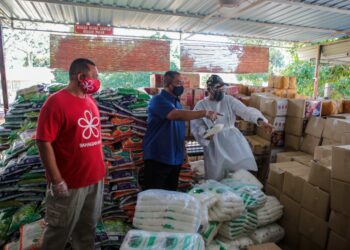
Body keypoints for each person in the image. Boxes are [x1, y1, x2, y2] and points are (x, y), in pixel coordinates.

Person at [36, 58, 105, 250]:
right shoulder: (56, 102)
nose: (97, 81)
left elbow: (94, 137)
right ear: (81, 76)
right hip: (70, 183)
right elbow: (43, 142)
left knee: (87, 231)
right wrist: (57, 180)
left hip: (94, 180)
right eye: (95, 76)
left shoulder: (89, 100)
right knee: (58, 233)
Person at [143, 71, 220, 191]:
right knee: (154, 196)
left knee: (171, 193)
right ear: (168, 84)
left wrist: (183, 151)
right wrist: (205, 113)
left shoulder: (177, 104)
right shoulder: (158, 100)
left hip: (174, 158)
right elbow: (175, 115)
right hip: (158, 157)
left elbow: (178, 129)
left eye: (182, 83)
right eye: (178, 83)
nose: (181, 86)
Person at [191, 75, 272, 180]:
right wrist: (204, 135)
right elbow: (197, 124)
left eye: (222, 88)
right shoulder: (201, 105)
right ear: (209, 89)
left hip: (232, 142)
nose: (221, 91)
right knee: (215, 175)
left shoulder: (229, 100)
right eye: (217, 88)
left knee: (236, 175)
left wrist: (260, 120)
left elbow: (245, 111)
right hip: (214, 143)